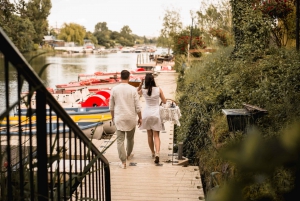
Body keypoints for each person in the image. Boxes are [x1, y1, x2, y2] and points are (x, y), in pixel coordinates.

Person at [109, 70, 142, 169]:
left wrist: (113, 116)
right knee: (130, 138)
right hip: (131, 117)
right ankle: (128, 155)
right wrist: (140, 118)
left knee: (120, 140)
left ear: (120, 77)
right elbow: (138, 107)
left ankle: (123, 162)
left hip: (119, 117)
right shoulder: (133, 90)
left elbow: (111, 106)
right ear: (129, 77)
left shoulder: (114, 89)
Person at [138, 73, 166, 164]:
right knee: (156, 135)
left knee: (149, 135)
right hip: (156, 114)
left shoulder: (143, 90)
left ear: (145, 81)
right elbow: (165, 101)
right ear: (153, 80)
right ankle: (157, 153)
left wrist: (140, 84)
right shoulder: (158, 90)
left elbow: (136, 93)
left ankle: (153, 153)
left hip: (146, 114)